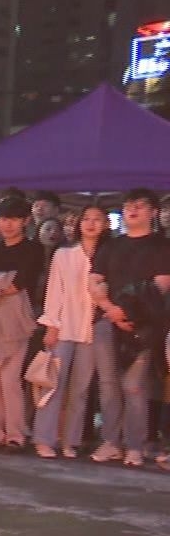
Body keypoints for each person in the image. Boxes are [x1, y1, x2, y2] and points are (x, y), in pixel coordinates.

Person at [89, 187, 170, 466]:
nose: (132, 210)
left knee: (134, 386)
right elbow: (95, 280)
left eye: (139, 205)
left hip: (143, 325)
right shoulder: (111, 245)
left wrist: (126, 310)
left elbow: (161, 284)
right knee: (108, 384)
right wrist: (111, 309)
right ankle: (111, 440)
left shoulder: (162, 246)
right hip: (106, 321)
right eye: (127, 205)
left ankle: (135, 444)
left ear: (153, 212)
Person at [33, 204, 105, 459]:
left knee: (81, 388)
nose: (91, 223)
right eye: (86, 218)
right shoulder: (64, 255)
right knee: (54, 385)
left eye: (97, 219)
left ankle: (70, 439)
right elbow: (55, 292)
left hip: (92, 328)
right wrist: (52, 325)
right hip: (64, 326)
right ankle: (44, 437)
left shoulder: (107, 255)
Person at [0, 196, 44, 449]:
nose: (8, 225)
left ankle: (15, 433)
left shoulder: (33, 249)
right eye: (4, 219)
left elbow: (20, 281)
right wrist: (0, 284)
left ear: (25, 221)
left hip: (16, 317)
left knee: (10, 379)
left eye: (14, 219)